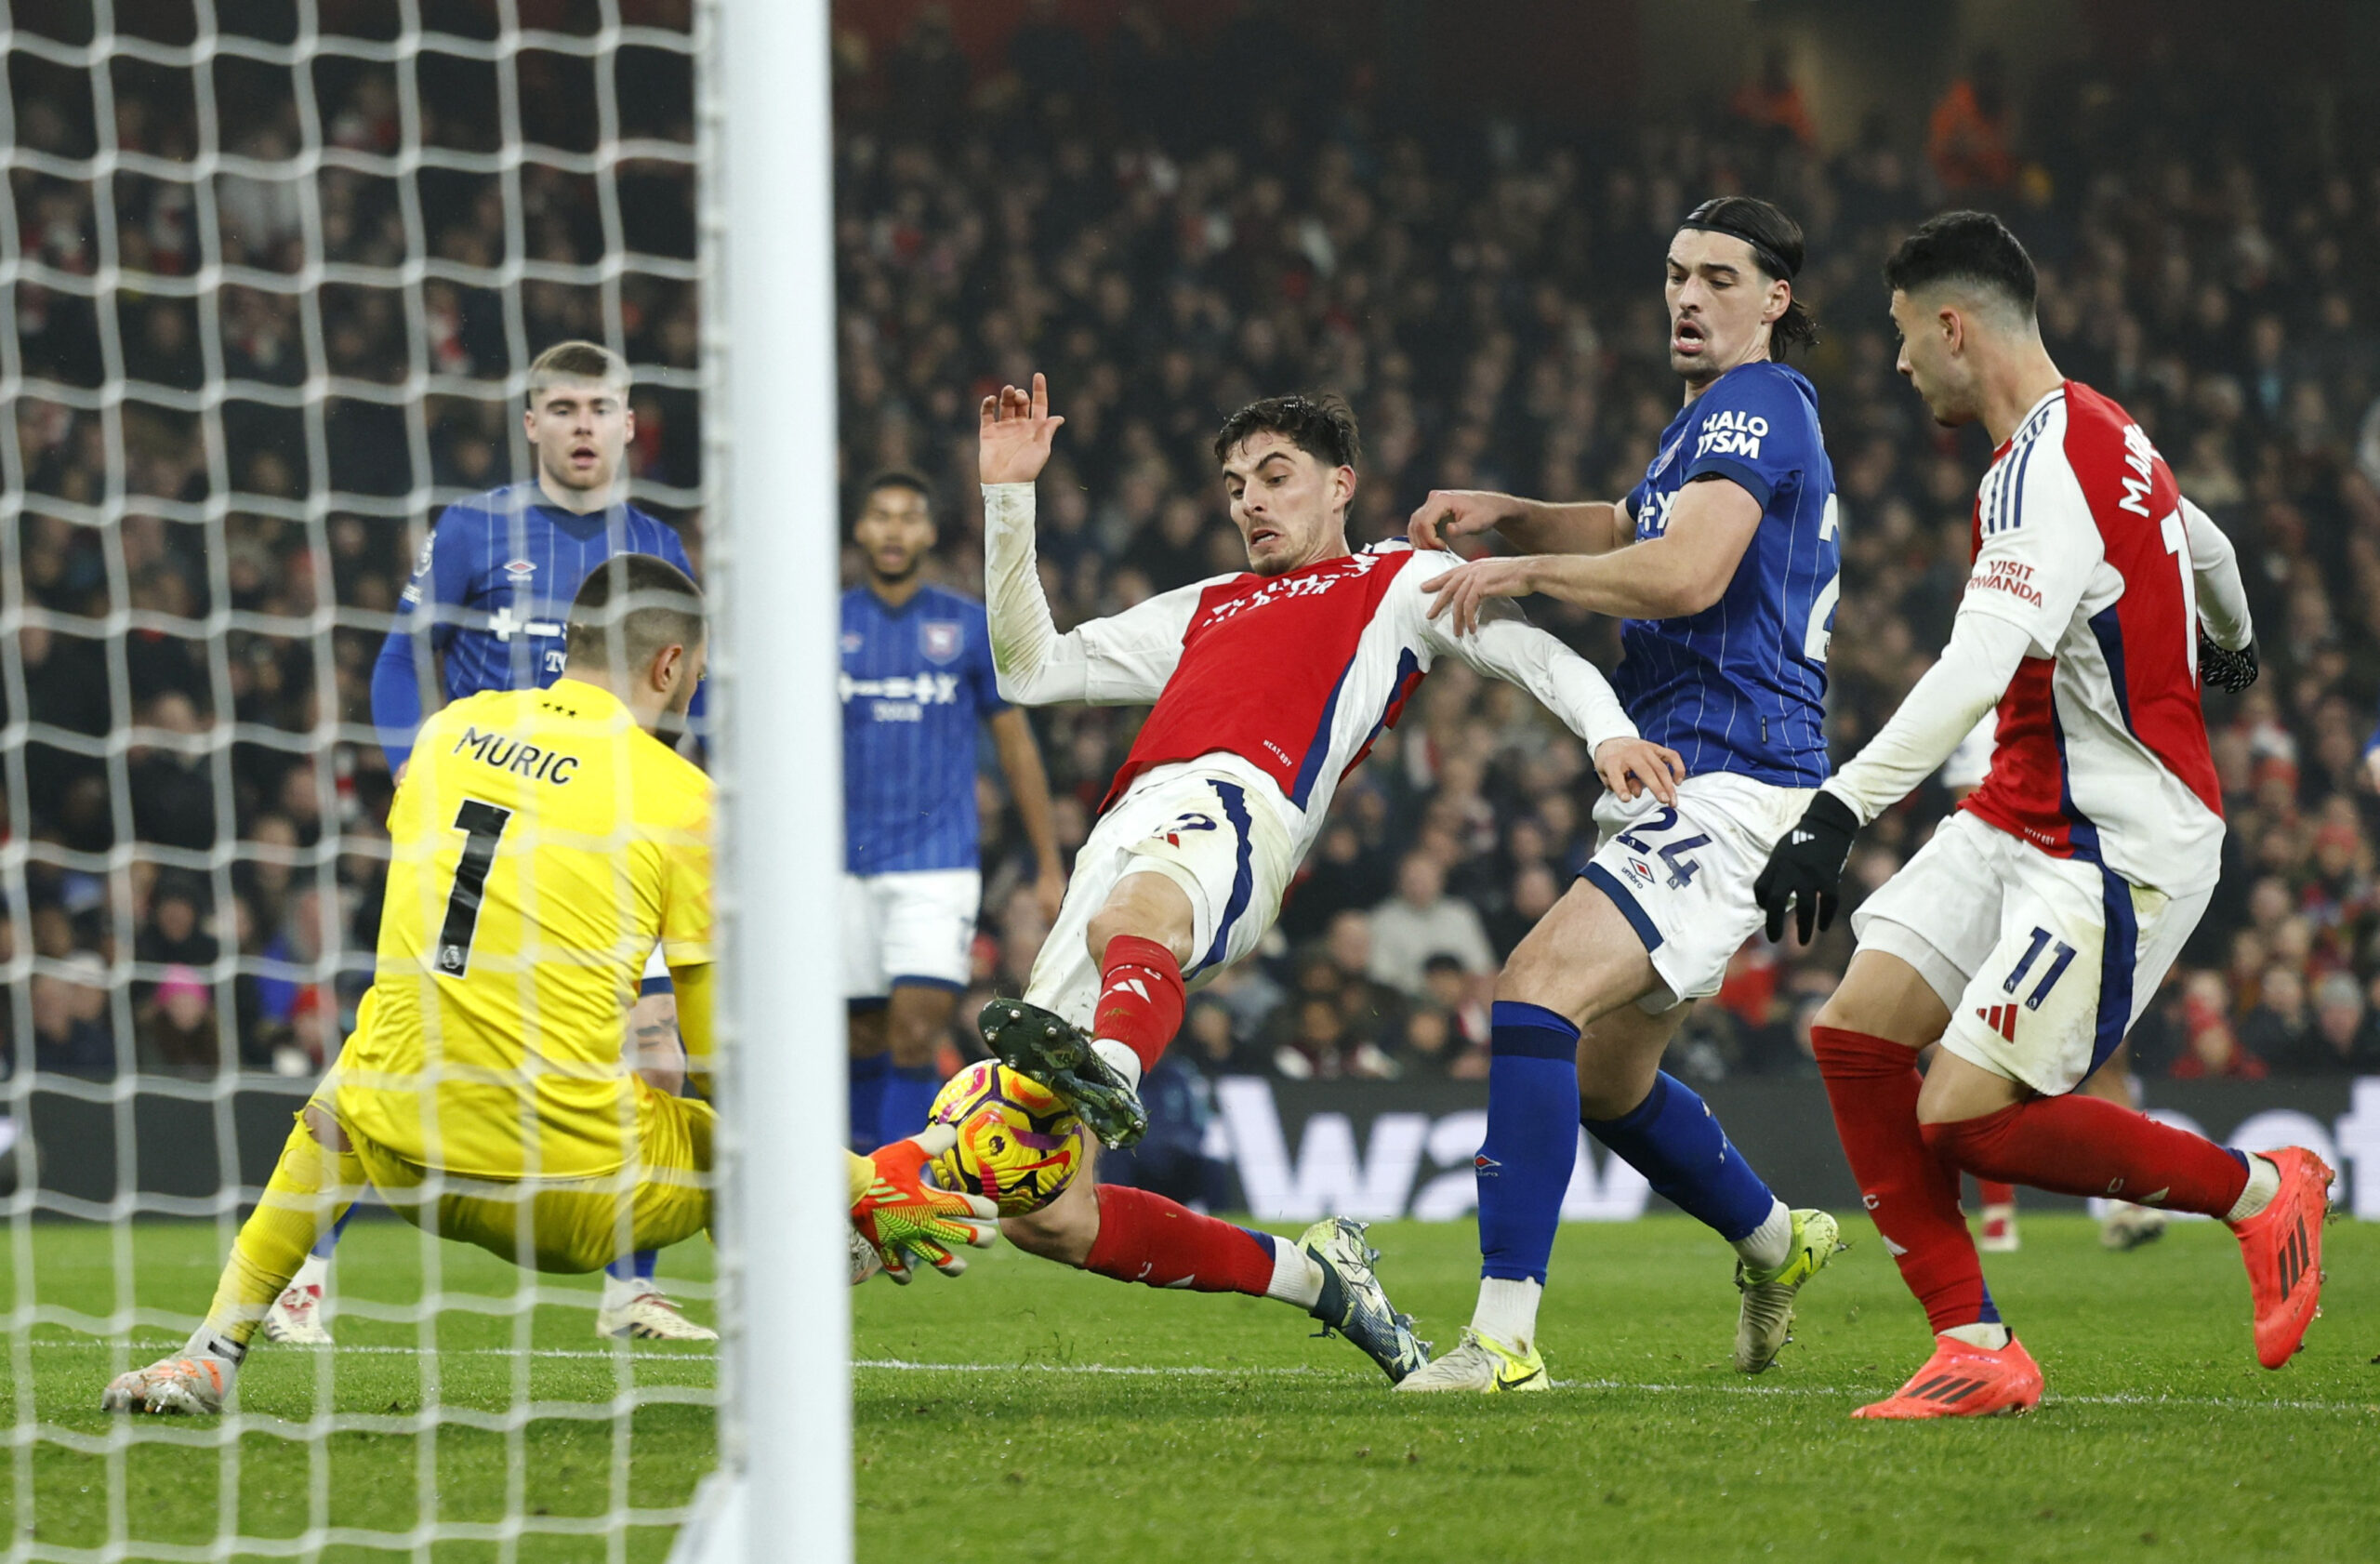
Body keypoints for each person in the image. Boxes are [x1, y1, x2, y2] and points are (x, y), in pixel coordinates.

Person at [973, 376, 1683, 1383]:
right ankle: (1314, 1276)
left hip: (1237, 807)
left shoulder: (1391, 580)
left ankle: (1114, 1068)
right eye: (1234, 485)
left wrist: (1607, 728)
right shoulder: (1207, 603)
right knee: (1044, 1210)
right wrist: (1010, 498)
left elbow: (1524, 648)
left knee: (1140, 916)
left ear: (1339, 484)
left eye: (1275, 476)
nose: (1250, 501)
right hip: (1117, 835)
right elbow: (1029, 668)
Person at [1753, 210, 2330, 1421]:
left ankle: (2258, 1186)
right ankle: (1976, 1343)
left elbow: (1971, 666)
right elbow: (2209, 545)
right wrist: (2231, 650)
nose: (1901, 363)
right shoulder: (2113, 432)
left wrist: (1836, 810)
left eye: (1908, 337)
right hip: (2024, 805)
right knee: (1854, 1032)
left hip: (2117, 842)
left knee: (1963, 1117)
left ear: (1957, 328)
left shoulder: (2039, 476)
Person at [102, 558, 746, 1414]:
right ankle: (809, 1306)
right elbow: (719, 1055)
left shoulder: (447, 733)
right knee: (740, 1143)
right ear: (670, 667)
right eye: (695, 677)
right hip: (571, 1199)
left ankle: (212, 1352)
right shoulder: (684, 796)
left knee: (356, 1074)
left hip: (405, 1163)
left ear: (567, 641)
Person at [1395, 197, 1845, 1392]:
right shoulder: (1702, 422)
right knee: (1604, 1077)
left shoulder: (1760, 403)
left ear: (1773, 300)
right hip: (1690, 768)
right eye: (1672, 275)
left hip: (1733, 772)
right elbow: (1639, 522)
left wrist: (1523, 569)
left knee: (1537, 988)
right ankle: (1774, 1238)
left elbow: (1687, 571)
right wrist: (1523, 512)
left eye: (1714, 277)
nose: (1685, 297)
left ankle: (1502, 1339)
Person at [265, 340, 711, 1346]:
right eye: (562, 406)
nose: (584, 424)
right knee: (406, 1047)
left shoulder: (655, 545)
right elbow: (399, 656)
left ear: (631, 423)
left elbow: (690, 694)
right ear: (532, 425)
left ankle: (628, 1286)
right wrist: (407, 769)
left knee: (654, 1050)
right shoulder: (477, 528)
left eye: (601, 405)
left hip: (606, 842)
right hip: (484, 836)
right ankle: (304, 1275)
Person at [840, 469, 1064, 1152]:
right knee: (858, 1038)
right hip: (837, 865)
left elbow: (1016, 746)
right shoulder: (822, 624)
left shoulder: (966, 626)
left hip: (937, 863)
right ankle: (859, 1194)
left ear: (930, 532)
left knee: (916, 1027)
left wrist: (1049, 863)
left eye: (909, 517)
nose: (894, 530)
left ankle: (896, 1187)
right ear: (860, 529)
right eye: (881, 515)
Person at [1938, 712, 2168, 1254]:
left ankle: (2128, 1203)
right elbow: (1969, 804)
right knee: (1986, 1049)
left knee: (2106, 1055)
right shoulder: (1980, 712)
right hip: (2012, 898)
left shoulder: (2089, 701)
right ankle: (1998, 1214)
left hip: (2089, 891)